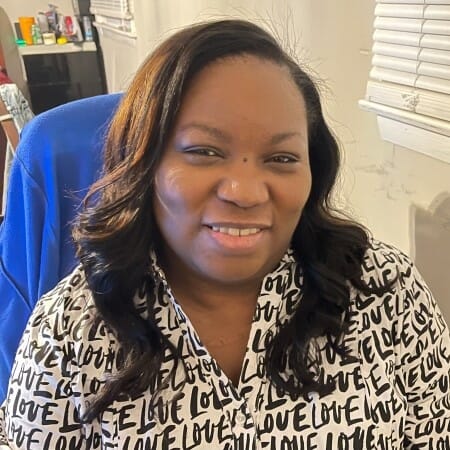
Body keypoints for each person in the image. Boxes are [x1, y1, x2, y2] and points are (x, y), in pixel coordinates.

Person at [0, 19, 449, 449]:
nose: (246, 192)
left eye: (282, 158)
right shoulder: (71, 331)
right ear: (145, 164)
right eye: (204, 151)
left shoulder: (384, 292)